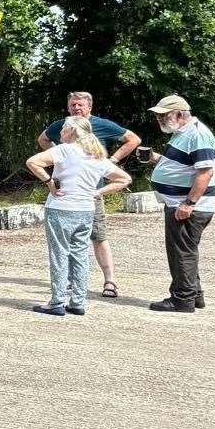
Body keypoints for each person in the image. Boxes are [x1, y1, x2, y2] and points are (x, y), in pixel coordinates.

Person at [37, 91, 140, 298]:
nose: (76, 108)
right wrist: (58, 155)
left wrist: (113, 161)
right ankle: (69, 285)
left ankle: (109, 280)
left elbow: (133, 139)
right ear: (68, 107)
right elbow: (43, 139)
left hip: (91, 194)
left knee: (98, 237)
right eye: (73, 105)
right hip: (64, 194)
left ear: (89, 107)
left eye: (80, 105)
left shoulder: (102, 125)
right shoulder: (61, 125)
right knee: (68, 243)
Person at [26, 116, 131, 316]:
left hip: (61, 207)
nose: (61, 133)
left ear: (72, 131)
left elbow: (33, 162)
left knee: (59, 254)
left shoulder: (64, 150)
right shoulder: (97, 156)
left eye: (64, 129)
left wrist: (49, 181)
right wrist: (98, 192)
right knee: (80, 254)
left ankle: (57, 301)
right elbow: (125, 179)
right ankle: (78, 301)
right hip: (86, 209)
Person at [140, 94, 215, 312]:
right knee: (185, 249)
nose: (159, 119)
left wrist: (189, 203)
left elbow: (205, 172)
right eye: (158, 116)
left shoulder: (197, 134)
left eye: (164, 115)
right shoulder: (181, 133)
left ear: (180, 114)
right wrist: (154, 158)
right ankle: (195, 295)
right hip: (179, 203)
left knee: (181, 252)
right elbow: (182, 165)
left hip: (188, 206)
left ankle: (182, 299)